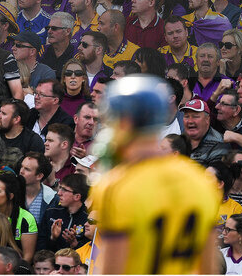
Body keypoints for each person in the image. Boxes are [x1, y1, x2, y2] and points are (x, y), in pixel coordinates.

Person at [89, 76, 222, 273]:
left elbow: (113, 270)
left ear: (124, 122)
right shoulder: (198, 179)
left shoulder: (116, 184)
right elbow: (209, 269)